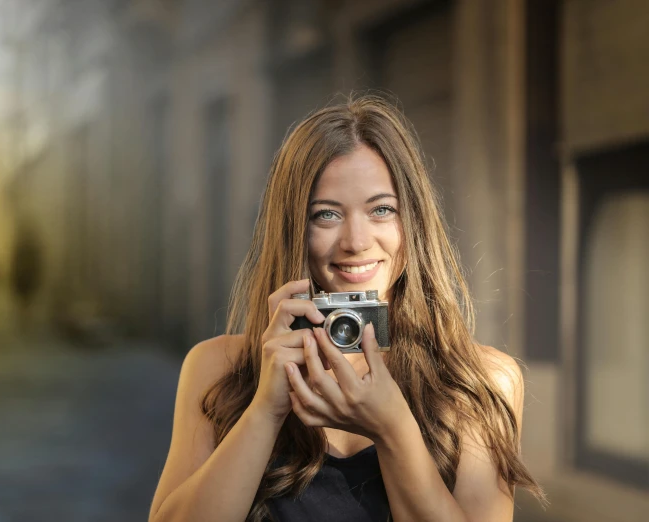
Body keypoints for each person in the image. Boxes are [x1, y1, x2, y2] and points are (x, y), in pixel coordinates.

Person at [149, 95, 545, 522]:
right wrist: (265, 410)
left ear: (413, 220)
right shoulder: (219, 368)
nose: (356, 241)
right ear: (295, 229)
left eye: (381, 210)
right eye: (326, 215)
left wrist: (393, 430)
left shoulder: (480, 381)